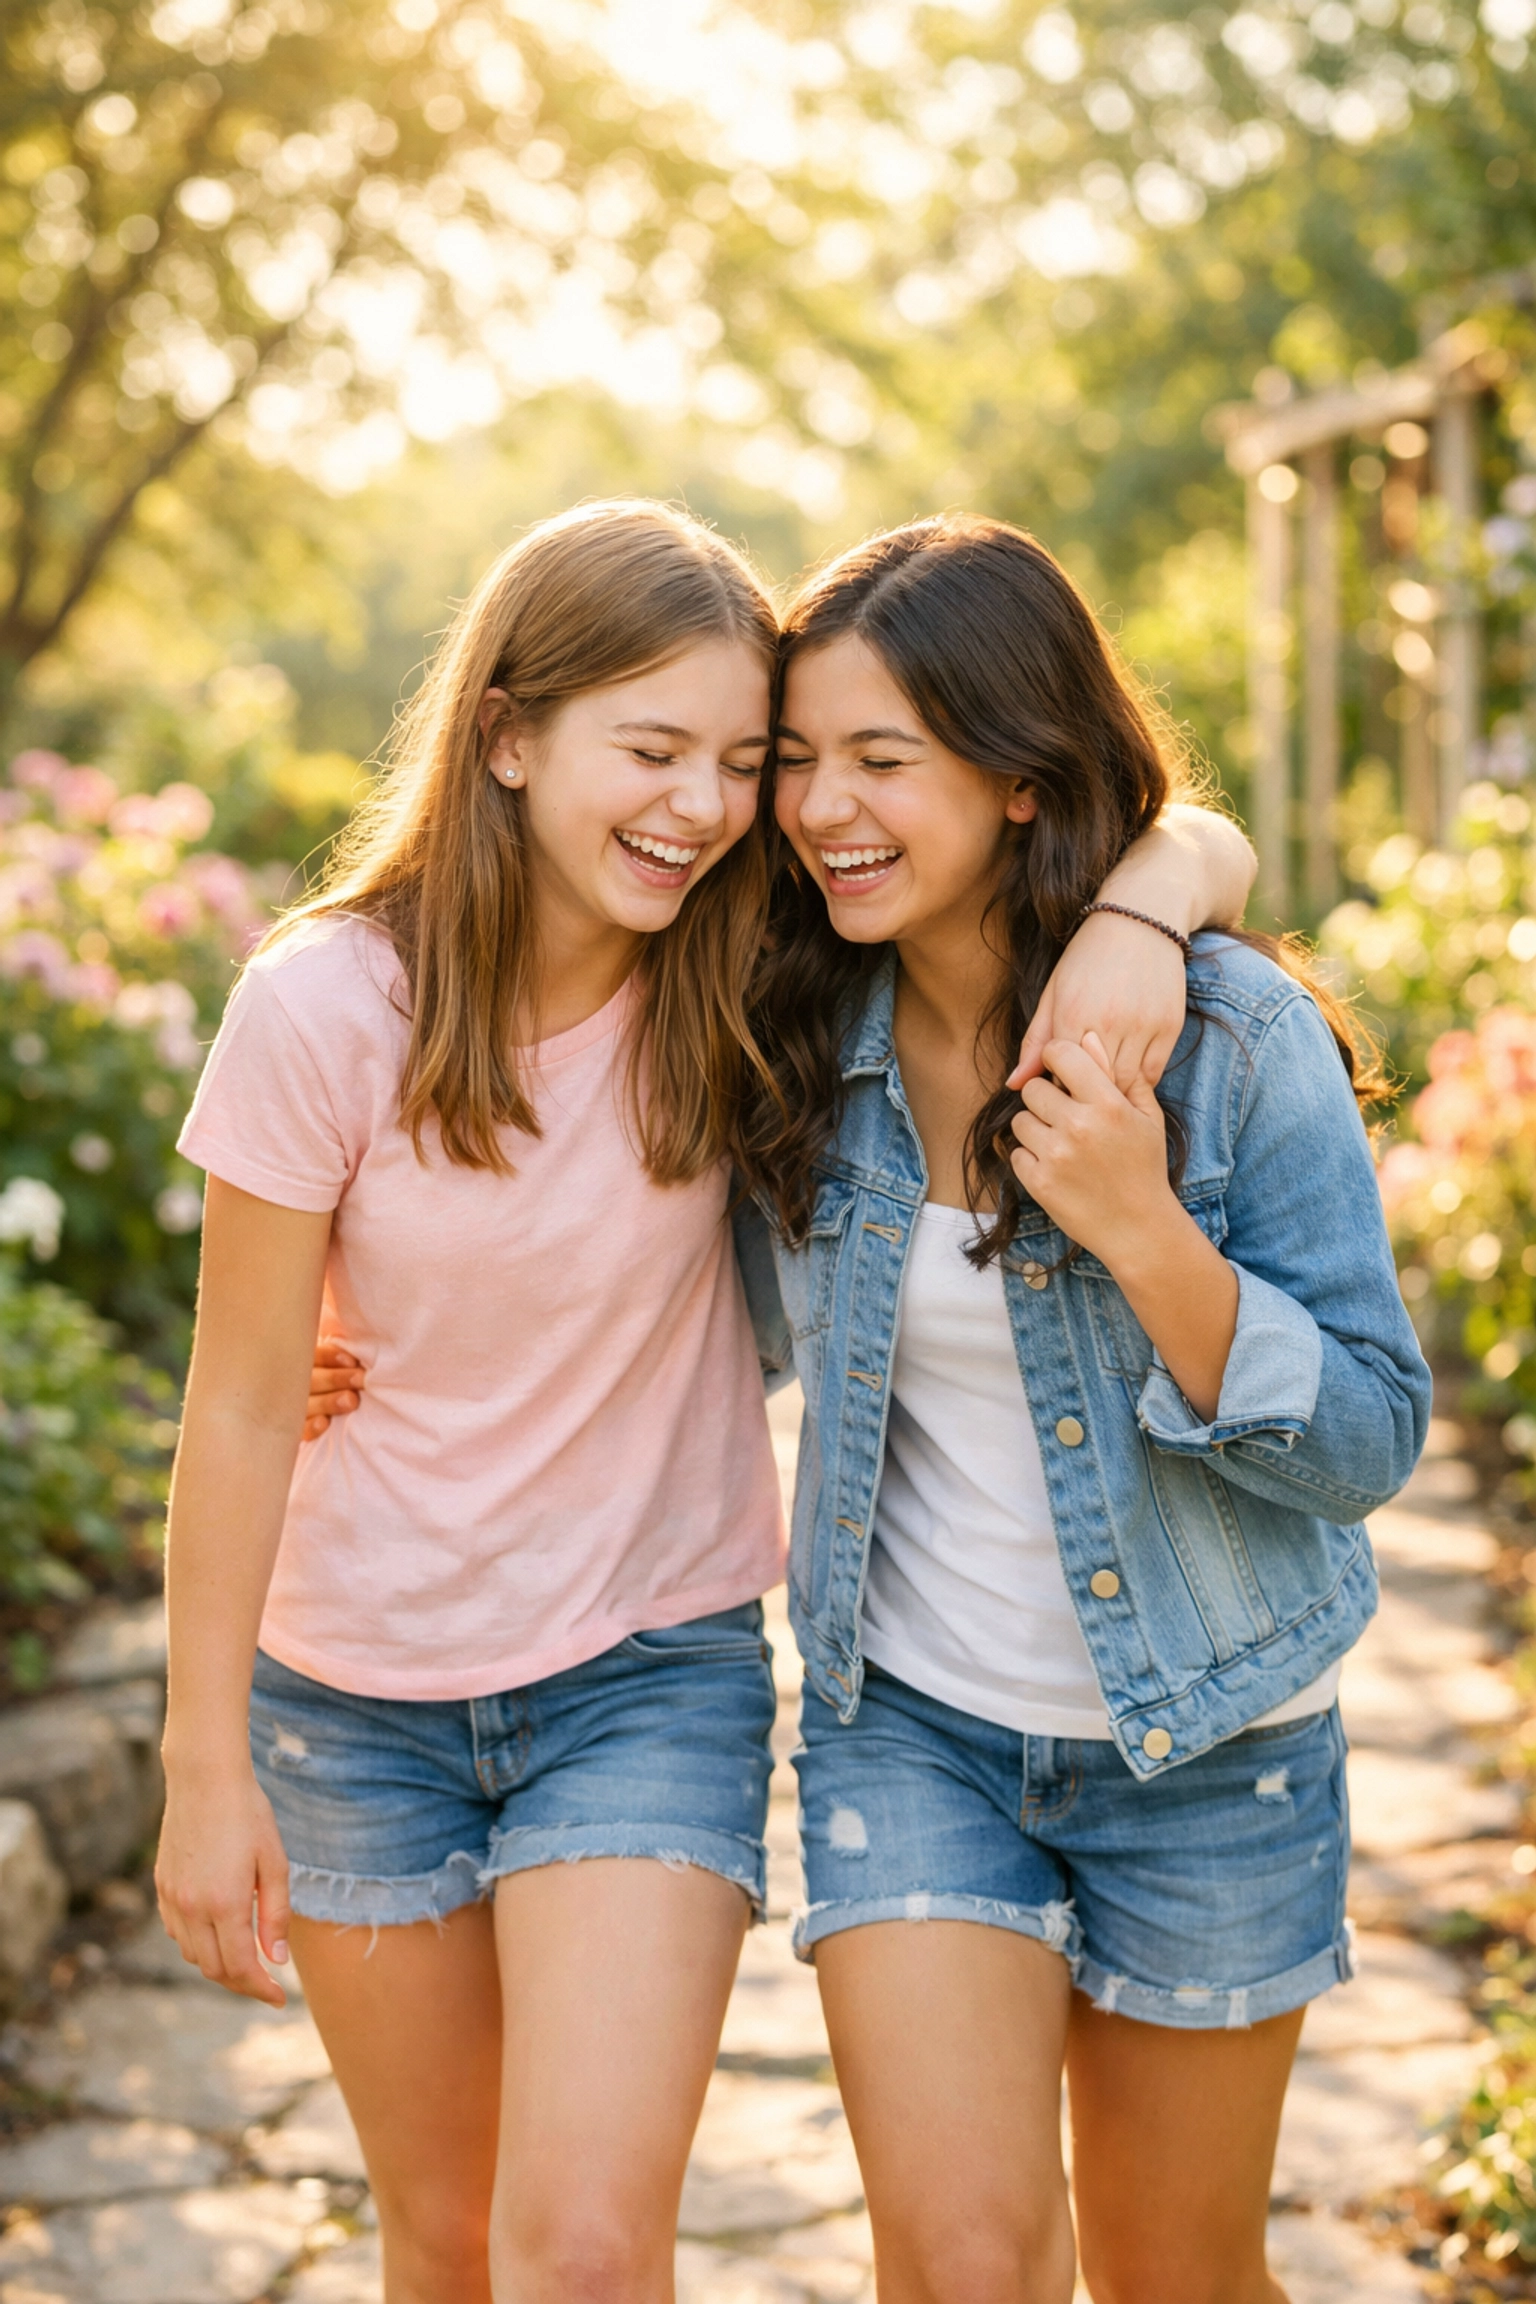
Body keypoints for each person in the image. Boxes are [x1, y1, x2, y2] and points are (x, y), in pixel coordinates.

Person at [253, 501, 1254, 2304]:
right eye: (669, 751)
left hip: (653, 1664)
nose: (720, 805)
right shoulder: (373, 999)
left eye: (748, 760)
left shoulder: (746, 973)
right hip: (370, 1685)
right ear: (506, 732)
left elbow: (1146, 810)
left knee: (583, 2248)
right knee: (455, 2239)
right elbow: (257, 1378)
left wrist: (1149, 910)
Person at [736, 515, 1432, 2304]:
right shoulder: (797, 1026)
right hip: (917, 1733)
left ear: (1023, 777)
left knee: (1175, 2275)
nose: (822, 806)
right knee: (961, 2267)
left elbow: (1367, 1439)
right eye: (799, 758)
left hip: (1215, 1747)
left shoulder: (1230, 1041)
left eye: (883, 759)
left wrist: (1141, 1229)